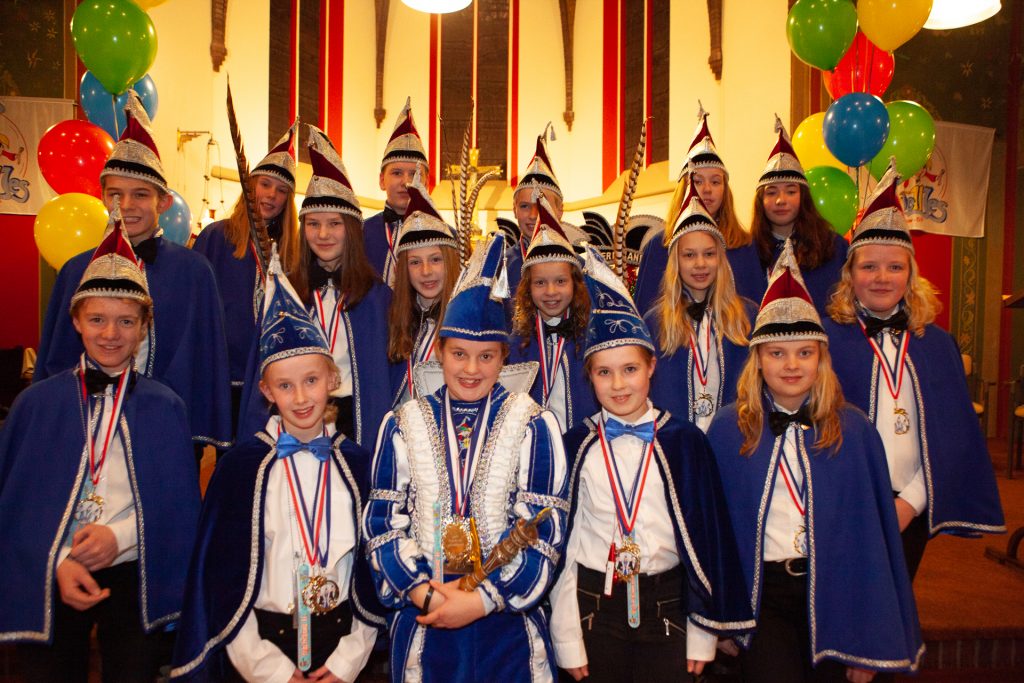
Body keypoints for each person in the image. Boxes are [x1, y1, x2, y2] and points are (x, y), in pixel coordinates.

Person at [707, 239, 923, 682]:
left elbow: (873, 540)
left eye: (804, 352)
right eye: (777, 353)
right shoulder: (729, 429)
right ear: (757, 359)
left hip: (836, 594)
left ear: (821, 359)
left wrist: (868, 641)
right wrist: (719, 616)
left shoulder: (855, 430)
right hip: (763, 598)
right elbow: (714, 532)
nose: (791, 365)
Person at [170, 247, 383, 682]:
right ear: (266, 391)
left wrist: (347, 661)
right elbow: (223, 583)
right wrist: (269, 670)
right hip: (263, 649)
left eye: (312, 381)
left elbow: (369, 572)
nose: (301, 398)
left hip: (342, 647)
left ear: (333, 380)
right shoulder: (240, 470)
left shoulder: (359, 465)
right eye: (285, 386)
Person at [2, 215, 199, 682]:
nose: (111, 333)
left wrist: (120, 537)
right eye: (97, 319)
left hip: (134, 569)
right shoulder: (36, 404)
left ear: (144, 327)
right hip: (52, 569)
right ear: (75, 321)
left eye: (126, 321)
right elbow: (17, 505)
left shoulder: (166, 406)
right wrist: (60, 557)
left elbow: (176, 506)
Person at [363, 235, 567, 683]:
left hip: (507, 627)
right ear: (439, 352)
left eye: (486, 356)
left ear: (503, 357)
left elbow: (543, 527)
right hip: (426, 616)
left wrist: (479, 601)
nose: (471, 369)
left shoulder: (534, 423)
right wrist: (425, 594)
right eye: (458, 354)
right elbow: (382, 522)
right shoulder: (402, 423)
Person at [548, 245, 753, 683]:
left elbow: (704, 542)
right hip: (594, 610)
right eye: (604, 372)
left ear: (651, 368)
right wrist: (566, 637)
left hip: (669, 610)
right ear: (589, 376)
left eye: (630, 369)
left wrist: (702, 633)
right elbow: (567, 545)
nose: (618, 384)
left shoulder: (685, 442)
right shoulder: (575, 444)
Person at [824, 160, 1005, 580]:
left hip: (912, 504)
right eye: (868, 266)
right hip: (843, 500)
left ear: (911, 274)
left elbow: (953, 435)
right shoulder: (825, 341)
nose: (882, 277)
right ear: (850, 274)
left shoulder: (937, 345)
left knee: (898, 597)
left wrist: (909, 503)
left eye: (895, 267)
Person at [35, 90, 233, 451]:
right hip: (86, 427)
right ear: (102, 197)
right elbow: (58, 354)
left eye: (141, 194)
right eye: (116, 194)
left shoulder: (194, 272)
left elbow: (203, 360)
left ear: (164, 201)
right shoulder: (76, 270)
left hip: (167, 430)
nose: (126, 205)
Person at [238, 125, 393, 450]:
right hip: (292, 419)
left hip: (354, 423)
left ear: (352, 230)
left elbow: (384, 379)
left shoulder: (377, 297)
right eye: (313, 224)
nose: (323, 234)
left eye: (334, 223)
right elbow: (263, 369)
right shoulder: (285, 294)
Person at [192, 120, 300, 432]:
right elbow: (198, 306)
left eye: (281, 190)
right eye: (265, 184)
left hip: (274, 375)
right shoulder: (217, 237)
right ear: (251, 185)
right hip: (226, 372)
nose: (271, 195)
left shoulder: (293, 251)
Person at [634, 104, 762, 316]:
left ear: (725, 190)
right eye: (698, 181)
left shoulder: (744, 247)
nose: (707, 189)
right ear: (684, 188)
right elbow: (645, 319)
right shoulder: (658, 247)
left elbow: (757, 315)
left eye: (715, 181)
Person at [647, 181, 755, 432]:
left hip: (733, 439)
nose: (700, 264)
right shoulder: (654, 321)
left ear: (721, 259)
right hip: (675, 443)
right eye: (689, 255)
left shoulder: (748, 316)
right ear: (675, 261)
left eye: (709, 254)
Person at [509, 191, 595, 432]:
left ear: (575, 284)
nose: (550, 292)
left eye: (560, 281)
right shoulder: (516, 345)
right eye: (540, 283)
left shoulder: (591, 339)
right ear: (527, 288)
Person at [748, 115, 848, 314]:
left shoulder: (834, 248)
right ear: (760, 201)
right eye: (771, 192)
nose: (781, 200)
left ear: (803, 197)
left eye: (791, 191)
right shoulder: (747, 253)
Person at [386, 170, 462, 407]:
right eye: (415, 262)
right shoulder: (393, 319)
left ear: (450, 262)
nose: (426, 271)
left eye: (435, 260)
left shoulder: (466, 320)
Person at [363, 97, 428, 286]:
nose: (406, 182)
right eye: (397, 173)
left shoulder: (446, 236)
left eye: (414, 174)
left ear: (427, 183)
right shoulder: (359, 234)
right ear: (381, 180)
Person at [506, 125, 564, 298]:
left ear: (560, 210)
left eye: (542, 206)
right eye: (525, 206)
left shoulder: (579, 267)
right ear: (514, 210)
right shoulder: (499, 266)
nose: (533, 216)